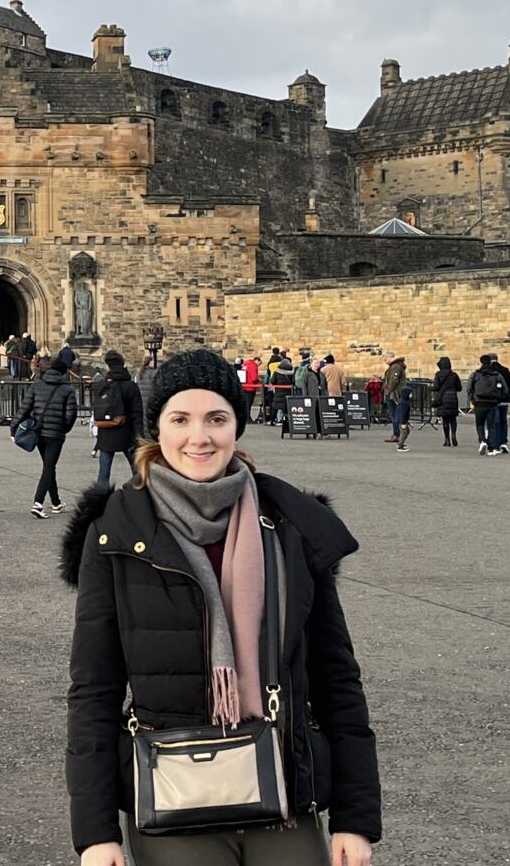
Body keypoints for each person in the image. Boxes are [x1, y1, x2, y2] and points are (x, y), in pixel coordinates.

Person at [62, 348, 381, 866]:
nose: (199, 437)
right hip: (173, 792)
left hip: (283, 787)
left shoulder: (292, 526)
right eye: (180, 419)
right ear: (157, 428)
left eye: (217, 419)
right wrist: (95, 833)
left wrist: (354, 816)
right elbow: (94, 691)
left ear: (237, 426)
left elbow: (336, 678)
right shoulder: (115, 533)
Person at [12, 346, 79, 519]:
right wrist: (64, 428)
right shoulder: (67, 390)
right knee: (49, 467)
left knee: (49, 466)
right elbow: (71, 414)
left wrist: (14, 427)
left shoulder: (37, 386)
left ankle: (55, 502)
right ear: (64, 373)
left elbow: (24, 408)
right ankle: (38, 503)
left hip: (38, 432)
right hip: (55, 435)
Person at [91, 351, 143, 487]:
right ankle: (141, 497)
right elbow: (137, 413)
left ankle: (99, 502)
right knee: (138, 471)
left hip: (106, 431)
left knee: (103, 473)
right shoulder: (131, 386)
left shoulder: (102, 385)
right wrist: (139, 435)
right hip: (127, 432)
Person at [467, 354, 507, 455]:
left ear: (481, 362)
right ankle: (491, 447)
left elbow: (469, 388)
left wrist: (472, 399)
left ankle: (482, 441)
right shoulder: (497, 375)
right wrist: (499, 398)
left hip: (479, 402)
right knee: (491, 426)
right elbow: (505, 389)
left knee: (480, 424)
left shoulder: (475, 374)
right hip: (492, 403)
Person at [432, 356, 462, 447]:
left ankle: (447, 440)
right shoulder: (454, 375)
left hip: (443, 399)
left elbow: (436, 387)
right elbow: (459, 388)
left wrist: (430, 388)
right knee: (453, 418)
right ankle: (454, 435)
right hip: (453, 398)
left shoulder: (438, 374)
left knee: (445, 419)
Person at [381, 353, 408, 447]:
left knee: (394, 414)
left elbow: (394, 381)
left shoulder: (395, 367)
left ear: (389, 357)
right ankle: (397, 433)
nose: (385, 361)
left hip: (394, 394)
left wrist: (388, 390)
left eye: (385, 359)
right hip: (395, 393)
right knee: (396, 414)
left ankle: (396, 434)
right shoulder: (396, 366)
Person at [492, 356, 510, 453]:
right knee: (503, 421)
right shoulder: (505, 370)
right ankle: (503, 442)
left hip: (493, 401)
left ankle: (496, 443)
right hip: (504, 400)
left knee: (495, 422)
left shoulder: (489, 372)